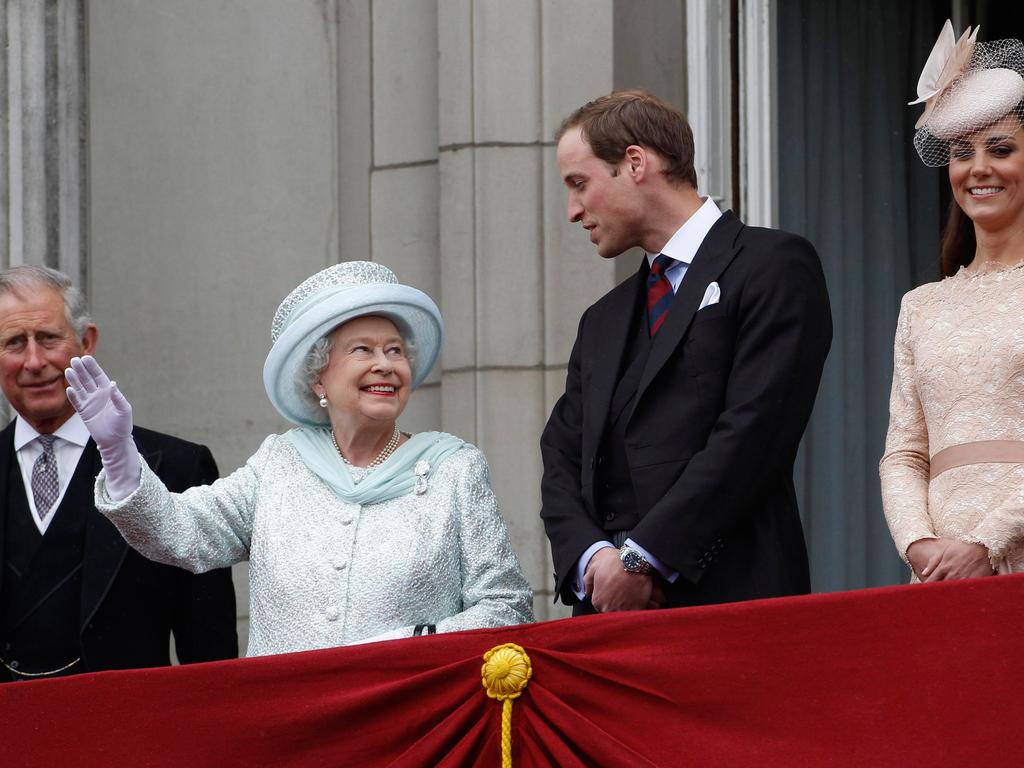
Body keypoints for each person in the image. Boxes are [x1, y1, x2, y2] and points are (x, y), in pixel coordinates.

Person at [66, 261, 533, 655]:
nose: (386, 364)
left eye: (395, 351)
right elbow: (180, 534)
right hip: (288, 724)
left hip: (408, 722)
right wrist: (118, 451)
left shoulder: (455, 469)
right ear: (319, 379)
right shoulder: (279, 464)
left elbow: (506, 604)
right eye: (362, 351)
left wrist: (416, 641)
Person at [540, 90, 833, 615]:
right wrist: (595, 563)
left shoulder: (773, 265)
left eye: (579, 184)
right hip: (607, 622)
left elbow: (754, 432)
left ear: (634, 163)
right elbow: (561, 456)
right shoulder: (601, 320)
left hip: (736, 608)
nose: (573, 211)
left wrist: (642, 560)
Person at [0, 265, 237, 681]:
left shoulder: (176, 467)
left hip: (127, 730)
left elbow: (209, 650)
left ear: (86, 341)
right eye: (14, 343)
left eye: (49, 339)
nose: (34, 362)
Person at [881, 23, 1024, 582]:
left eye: (1002, 149)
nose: (978, 168)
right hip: (939, 577)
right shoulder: (921, 306)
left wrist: (986, 543)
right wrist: (919, 545)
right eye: (963, 153)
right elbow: (904, 454)